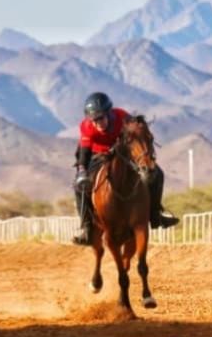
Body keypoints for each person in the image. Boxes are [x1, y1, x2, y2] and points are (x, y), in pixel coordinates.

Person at [72, 91, 179, 245]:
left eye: (101, 118)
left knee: (158, 174)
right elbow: (84, 153)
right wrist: (82, 171)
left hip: (122, 154)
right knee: (79, 187)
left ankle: (156, 215)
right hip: (97, 155)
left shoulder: (122, 116)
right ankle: (87, 227)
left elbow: (136, 131)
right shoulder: (86, 127)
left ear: (109, 113)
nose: (98, 123)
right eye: (94, 120)